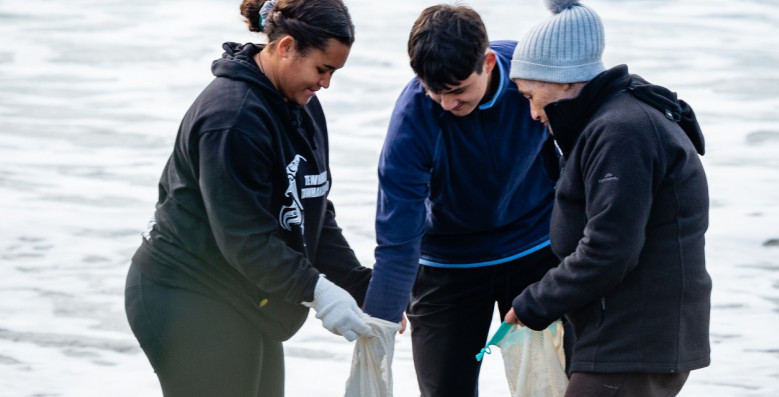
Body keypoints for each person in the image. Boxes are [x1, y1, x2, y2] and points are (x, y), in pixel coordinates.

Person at [124, 0, 373, 395]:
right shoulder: (232, 120)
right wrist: (319, 291)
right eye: (322, 70)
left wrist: (359, 285)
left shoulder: (301, 106)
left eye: (333, 72)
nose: (325, 83)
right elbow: (247, 240)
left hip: (244, 292)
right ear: (287, 46)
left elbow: (311, 210)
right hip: (185, 292)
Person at [504, 1, 712, 396]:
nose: (531, 112)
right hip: (630, 338)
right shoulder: (615, 118)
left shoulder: (620, 131)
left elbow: (609, 249)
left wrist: (535, 303)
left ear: (563, 80)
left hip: (634, 342)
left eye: (531, 95)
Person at [362, 4, 561, 396]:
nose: (446, 105)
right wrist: (381, 317)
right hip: (448, 264)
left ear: (487, 62)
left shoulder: (534, 75)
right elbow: (398, 232)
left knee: (553, 387)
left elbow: (586, 151)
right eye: (434, 91)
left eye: (456, 91)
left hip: (536, 245)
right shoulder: (413, 119)